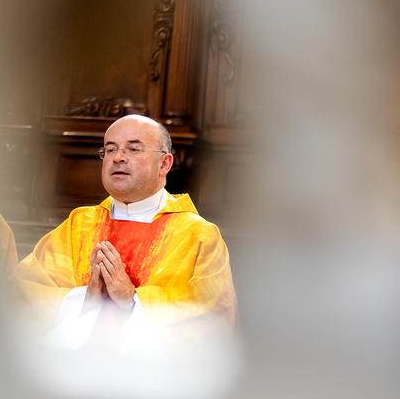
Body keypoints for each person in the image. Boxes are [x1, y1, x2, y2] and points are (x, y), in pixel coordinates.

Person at [14, 114, 237, 353]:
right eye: (110, 150)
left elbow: (212, 318)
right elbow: (23, 294)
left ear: (164, 164)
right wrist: (85, 298)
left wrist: (132, 299)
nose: (118, 157)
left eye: (133, 149)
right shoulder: (78, 225)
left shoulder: (197, 236)